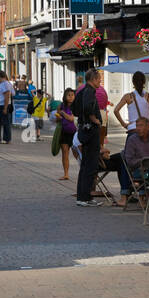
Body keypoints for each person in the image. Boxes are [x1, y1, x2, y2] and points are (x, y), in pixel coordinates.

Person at [73, 70, 104, 206]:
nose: (100, 82)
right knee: (90, 165)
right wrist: (95, 119)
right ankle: (85, 198)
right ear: (93, 79)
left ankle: (83, 196)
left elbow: (76, 108)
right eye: (99, 79)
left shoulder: (83, 90)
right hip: (90, 132)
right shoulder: (90, 91)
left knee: (85, 165)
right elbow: (87, 107)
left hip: (85, 131)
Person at [113, 72, 149, 136]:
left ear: (133, 82)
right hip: (147, 130)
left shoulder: (128, 97)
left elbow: (116, 110)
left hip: (133, 129)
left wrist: (124, 124)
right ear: (144, 82)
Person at [54, 89, 77, 181]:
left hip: (74, 133)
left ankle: (83, 172)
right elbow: (57, 121)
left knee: (77, 153)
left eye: (72, 95)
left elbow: (71, 119)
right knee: (65, 153)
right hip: (64, 132)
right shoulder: (61, 106)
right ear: (65, 96)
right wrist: (58, 118)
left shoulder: (75, 107)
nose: (71, 97)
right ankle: (66, 174)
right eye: (69, 95)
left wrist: (62, 113)